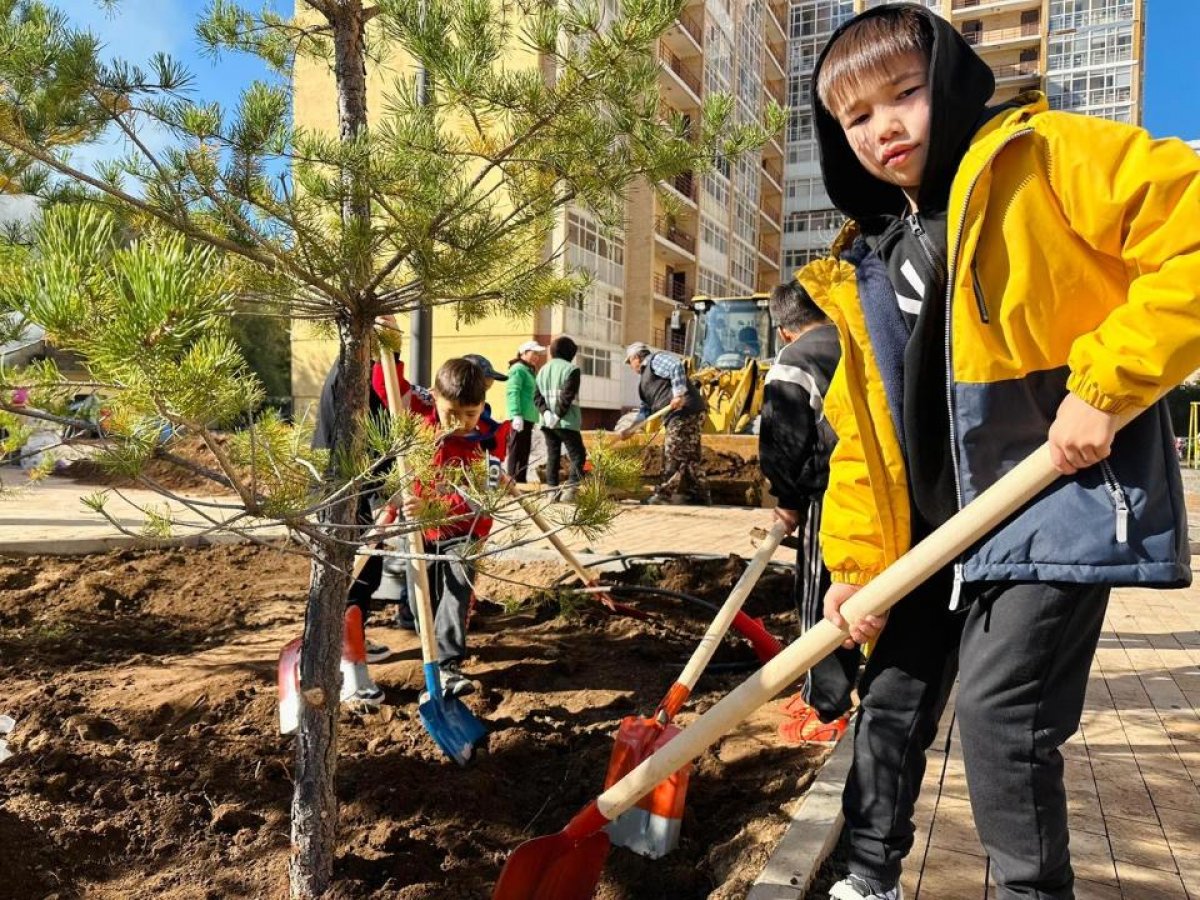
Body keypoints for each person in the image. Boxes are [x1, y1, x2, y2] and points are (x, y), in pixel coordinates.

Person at [803, 7, 1199, 900]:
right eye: (856, 116)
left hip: (1049, 504)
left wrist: (1108, 383)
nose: (885, 127)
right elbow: (866, 443)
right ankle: (867, 879)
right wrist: (858, 565)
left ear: (946, 80)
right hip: (930, 538)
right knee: (892, 703)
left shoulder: (1043, 159)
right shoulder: (869, 257)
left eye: (903, 94)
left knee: (1000, 718)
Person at [758, 281, 857, 745]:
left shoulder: (794, 362)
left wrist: (787, 499)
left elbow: (785, 439)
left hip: (831, 492)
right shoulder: (855, 339)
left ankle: (827, 710)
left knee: (822, 599)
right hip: (876, 488)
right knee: (857, 597)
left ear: (784, 330)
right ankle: (822, 689)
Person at [401, 357, 496, 699]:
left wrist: (433, 507)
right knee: (419, 599)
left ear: (482, 405)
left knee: (456, 592)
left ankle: (448, 665)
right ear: (433, 398)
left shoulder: (485, 443)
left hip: (464, 532)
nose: (459, 423)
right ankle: (427, 643)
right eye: (451, 413)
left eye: (469, 414)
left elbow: (477, 502)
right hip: (417, 530)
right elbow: (388, 386)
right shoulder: (419, 419)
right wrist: (392, 347)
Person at [620, 342, 710, 505]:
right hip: (684, 413)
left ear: (637, 358)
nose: (631, 366)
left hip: (684, 411)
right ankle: (701, 494)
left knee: (673, 451)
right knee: (689, 456)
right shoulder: (643, 385)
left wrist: (678, 394)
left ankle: (664, 494)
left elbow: (676, 366)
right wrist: (632, 428)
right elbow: (645, 410)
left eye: (630, 362)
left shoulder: (654, 360)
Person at [534, 336, 586, 502]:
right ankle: (570, 491)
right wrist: (557, 415)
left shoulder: (543, 369)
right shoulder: (571, 369)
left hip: (546, 422)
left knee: (553, 456)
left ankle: (552, 492)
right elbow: (567, 395)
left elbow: (536, 396)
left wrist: (547, 413)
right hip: (566, 421)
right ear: (570, 353)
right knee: (578, 455)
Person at [504, 340, 546, 482]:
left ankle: (521, 481)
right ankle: (511, 481)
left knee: (524, 451)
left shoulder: (529, 370)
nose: (537, 357)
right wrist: (516, 414)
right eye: (534, 353)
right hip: (520, 416)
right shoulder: (518, 369)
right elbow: (512, 391)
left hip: (528, 417)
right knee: (516, 450)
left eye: (538, 354)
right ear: (523, 353)